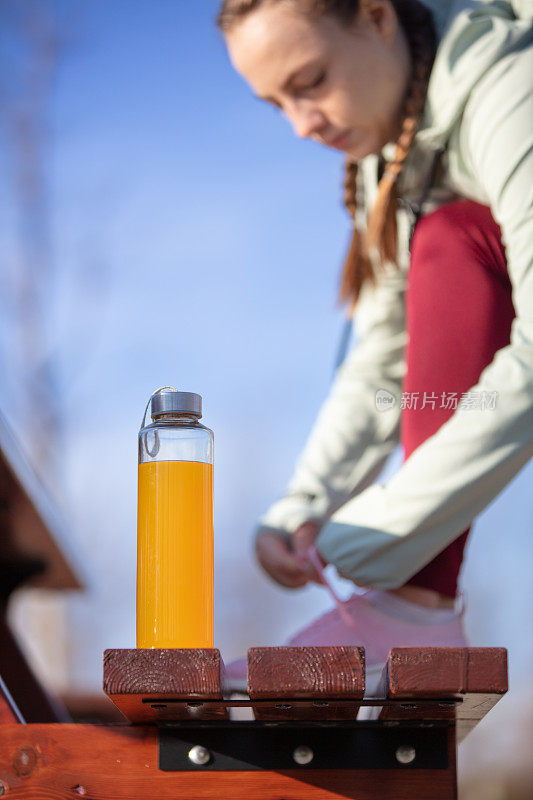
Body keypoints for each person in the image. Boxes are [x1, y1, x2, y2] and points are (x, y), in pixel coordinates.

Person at [216, 0, 533, 693]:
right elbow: (381, 360)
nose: (301, 125)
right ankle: (414, 616)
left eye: (309, 81)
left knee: (452, 233)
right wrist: (303, 505)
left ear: (376, 17)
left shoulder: (512, 86)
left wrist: (392, 527)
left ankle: (412, 609)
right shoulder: (387, 165)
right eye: (276, 105)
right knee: (444, 238)